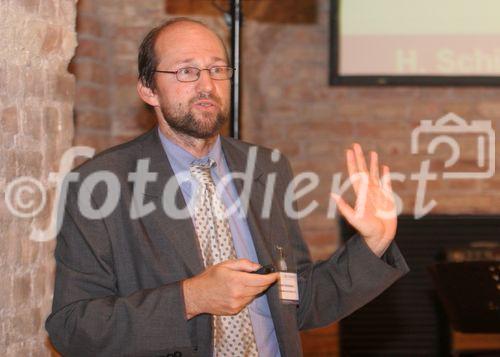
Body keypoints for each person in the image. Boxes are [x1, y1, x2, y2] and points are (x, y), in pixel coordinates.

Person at [46, 18, 409, 357]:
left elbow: (297, 300)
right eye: (186, 71)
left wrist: (373, 244)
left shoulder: (267, 168)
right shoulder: (100, 183)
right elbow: (72, 328)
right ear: (148, 90)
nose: (207, 85)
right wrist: (191, 298)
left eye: (218, 70)